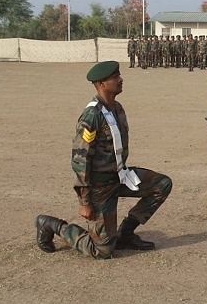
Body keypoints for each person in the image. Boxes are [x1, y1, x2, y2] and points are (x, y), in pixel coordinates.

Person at [35, 61, 173, 259]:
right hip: (100, 187)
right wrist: (84, 201)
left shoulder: (117, 108)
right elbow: (80, 160)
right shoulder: (92, 116)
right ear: (101, 83)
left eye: (119, 75)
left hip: (119, 176)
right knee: (102, 251)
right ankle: (52, 225)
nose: (120, 79)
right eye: (115, 77)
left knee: (162, 184)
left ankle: (125, 233)